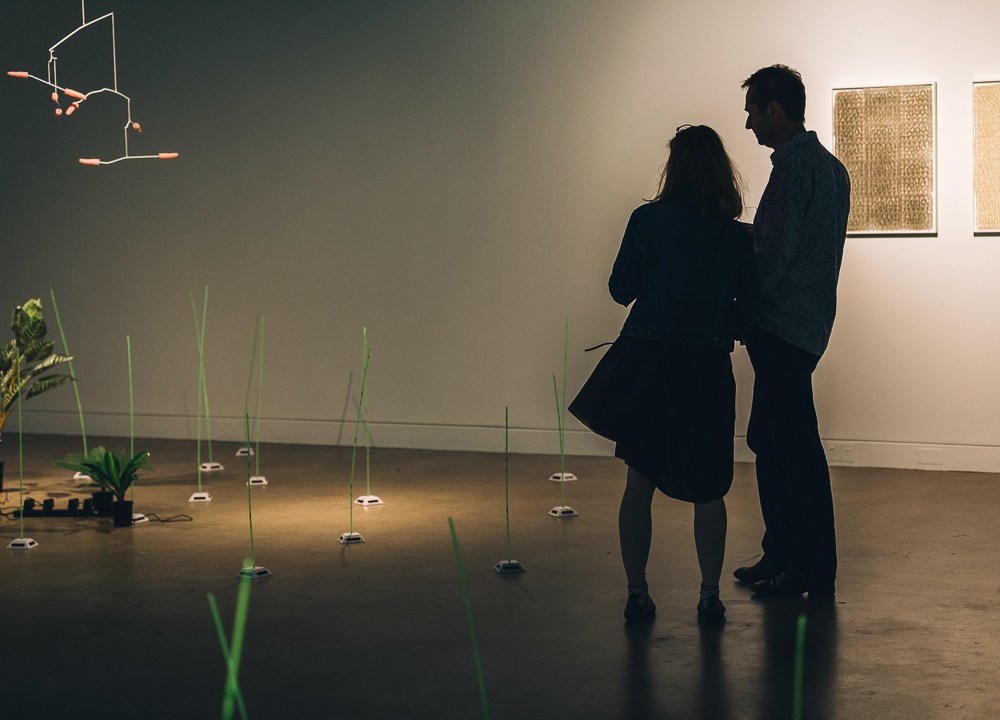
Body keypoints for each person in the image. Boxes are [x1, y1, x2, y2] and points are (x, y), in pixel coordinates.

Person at [598, 124, 758, 623]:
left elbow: (620, 289)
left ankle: (637, 593)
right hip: (705, 369)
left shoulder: (646, 220)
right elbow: (749, 311)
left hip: (649, 365)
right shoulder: (735, 236)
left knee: (638, 483)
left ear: (674, 168)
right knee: (709, 489)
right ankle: (709, 596)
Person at [734, 64, 851, 597]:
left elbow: (774, 255)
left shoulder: (794, 169)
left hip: (781, 326)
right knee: (772, 439)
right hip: (808, 326)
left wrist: (740, 305)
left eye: (753, 112)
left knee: (793, 447)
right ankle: (782, 552)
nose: (749, 123)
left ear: (774, 110)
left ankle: (809, 564)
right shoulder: (832, 169)